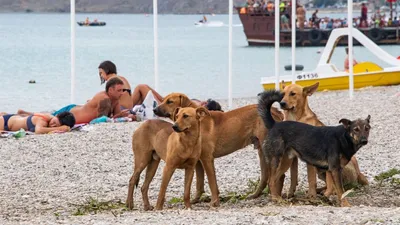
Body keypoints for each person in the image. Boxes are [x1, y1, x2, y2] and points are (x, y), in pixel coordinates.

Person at [18, 77, 129, 124]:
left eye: (122, 90)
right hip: (71, 113)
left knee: (49, 115)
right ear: (110, 90)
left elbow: (113, 118)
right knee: (47, 118)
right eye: (119, 90)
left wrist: (119, 115)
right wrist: (118, 116)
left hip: (75, 109)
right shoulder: (104, 99)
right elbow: (102, 121)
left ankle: (23, 113)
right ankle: (23, 114)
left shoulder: (115, 99)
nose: (122, 93)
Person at [98, 60, 163, 110]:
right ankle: (163, 101)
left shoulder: (111, 80)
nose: (101, 75)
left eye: (101, 73)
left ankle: (161, 106)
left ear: (107, 70)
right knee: (141, 86)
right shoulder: (122, 78)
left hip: (122, 108)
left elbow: (109, 99)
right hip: (129, 106)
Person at [0, 112, 75, 134]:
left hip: (15, 120)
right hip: (6, 122)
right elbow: (38, 131)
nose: (52, 125)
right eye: (54, 122)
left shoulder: (50, 120)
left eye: (56, 125)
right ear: (56, 115)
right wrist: (59, 128)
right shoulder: (43, 119)